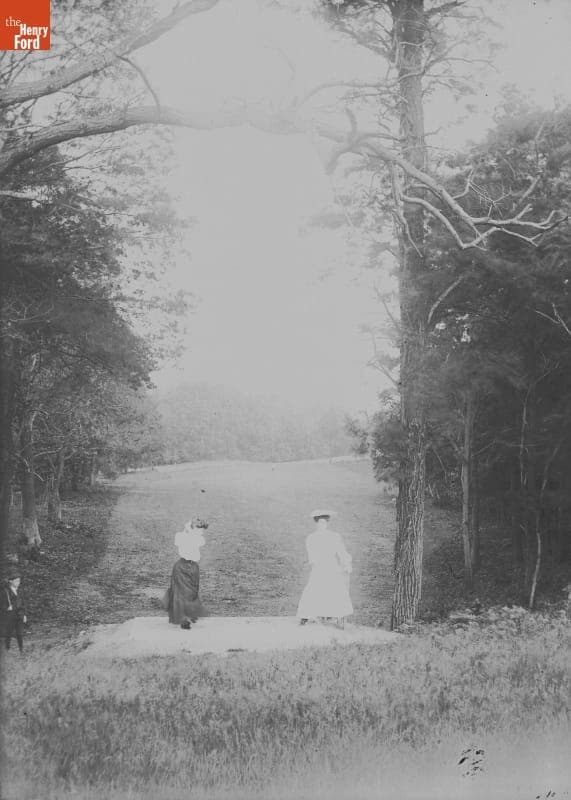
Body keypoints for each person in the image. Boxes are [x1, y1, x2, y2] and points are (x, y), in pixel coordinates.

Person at [296, 510, 353, 628]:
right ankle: (305, 616)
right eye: (319, 522)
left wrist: (346, 563)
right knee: (313, 589)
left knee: (336, 590)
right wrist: (316, 563)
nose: (322, 524)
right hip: (318, 566)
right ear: (316, 523)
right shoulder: (311, 538)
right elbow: (311, 555)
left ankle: (338, 617)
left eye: (324, 522)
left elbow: (341, 551)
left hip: (332, 566)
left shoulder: (334, 536)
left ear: (327, 523)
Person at [162, 518, 208, 629]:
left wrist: (192, 531)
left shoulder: (198, 538)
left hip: (193, 567)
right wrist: (188, 530)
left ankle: (190, 613)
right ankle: (183, 619)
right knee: (181, 593)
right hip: (181, 567)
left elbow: (201, 542)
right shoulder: (181, 536)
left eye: (202, 530)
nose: (202, 532)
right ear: (194, 528)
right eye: (200, 530)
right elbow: (179, 541)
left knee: (192, 592)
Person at [0, 569, 27, 653]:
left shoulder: (20, 591)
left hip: (19, 615)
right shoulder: (5, 592)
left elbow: (23, 604)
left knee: (20, 633)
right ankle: (7, 648)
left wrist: (24, 615)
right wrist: (7, 608)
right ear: (11, 581)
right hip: (10, 616)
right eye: (16, 581)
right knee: (9, 633)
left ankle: (21, 650)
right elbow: (2, 605)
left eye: (19, 581)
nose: (18, 583)